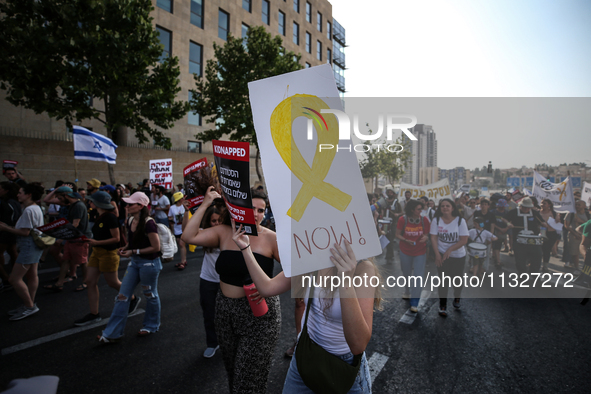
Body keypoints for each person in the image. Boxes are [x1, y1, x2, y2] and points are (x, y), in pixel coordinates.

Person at [231, 217, 379, 394]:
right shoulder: (310, 257)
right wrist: (245, 247)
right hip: (306, 355)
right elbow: (267, 287)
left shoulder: (364, 268)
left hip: (345, 367)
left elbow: (358, 344)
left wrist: (345, 280)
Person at [182, 187, 282, 393]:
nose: (256, 214)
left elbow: (296, 270)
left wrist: (270, 288)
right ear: (239, 208)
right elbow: (188, 236)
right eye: (251, 208)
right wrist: (206, 203)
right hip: (225, 312)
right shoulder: (225, 231)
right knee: (233, 372)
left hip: (259, 316)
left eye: (261, 210)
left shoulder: (271, 238)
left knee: (247, 382)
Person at [98, 192, 160, 343]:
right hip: (135, 263)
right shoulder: (130, 219)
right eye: (127, 204)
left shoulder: (149, 223)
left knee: (150, 295)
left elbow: (156, 247)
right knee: (122, 296)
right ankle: (111, 333)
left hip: (149, 264)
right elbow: (133, 242)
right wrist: (125, 248)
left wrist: (133, 251)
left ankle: (151, 325)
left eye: (131, 204)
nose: (127, 206)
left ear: (140, 206)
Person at [74, 191, 121, 326]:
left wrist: (96, 243)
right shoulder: (97, 214)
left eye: (91, 201)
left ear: (97, 203)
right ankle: (94, 314)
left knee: (113, 283)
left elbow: (116, 239)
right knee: (90, 281)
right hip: (97, 251)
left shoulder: (110, 218)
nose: (89, 202)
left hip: (108, 253)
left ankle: (133, 298)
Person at [1, 183, 45, 320]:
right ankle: (29, 303)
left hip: (28, 246)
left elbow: (25, 232)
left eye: (20, 192)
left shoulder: (29, 210)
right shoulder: (35, 208)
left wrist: (5, 228)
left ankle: (30, 306)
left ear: (28, 194)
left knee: (14, 279)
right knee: (32, 275)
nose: (18, 194)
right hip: (34, 245)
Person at [44, 186, 92, 292]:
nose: (59, 200)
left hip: (80, 238)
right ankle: (59, 283)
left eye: (60, 198)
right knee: (66, 260)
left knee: (83, 261)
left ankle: (86, 282)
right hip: (72, 237)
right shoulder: (72, 204)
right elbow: (46, 200)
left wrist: (62, 238)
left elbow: (75, 224)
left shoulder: (78, 206)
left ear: (66, 196)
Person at [429, 198, 469, 317]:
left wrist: (450, 249)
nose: (445, 208)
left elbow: (464, 240)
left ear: (452, 208)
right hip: (441, 255)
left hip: (458, 256)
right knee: (443, 281)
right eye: (442, 206)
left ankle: (457, 297)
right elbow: (433, 238)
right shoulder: (436, 220)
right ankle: (443, 305)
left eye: (447, 206)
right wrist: (437, 254)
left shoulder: (460, 221)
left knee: (457, 281)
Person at [196, 205, 223, 358]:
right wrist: (189, 212)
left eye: (220, 220)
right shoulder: (206, 234)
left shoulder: (229, 232)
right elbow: (187, 234)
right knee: (209, 313)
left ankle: (229, 343)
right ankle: (212, 343)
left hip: (227, 282)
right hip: (208, 279)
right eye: (213, 221)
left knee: (229, 315)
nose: (217, 224)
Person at [395, 199, 430, 312]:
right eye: (419, 209)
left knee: (418, 277)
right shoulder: (402, 219)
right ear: (412, 210)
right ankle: (407, 291)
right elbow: (397, 235)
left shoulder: (424, 220)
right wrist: (406, 240)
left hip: (420, 251)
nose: (421, 211)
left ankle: (414, 302)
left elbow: (427, 234)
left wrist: (426, 238)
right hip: (405, 250)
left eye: (422, 208)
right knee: (406, 273)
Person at [503, 197, 549, 276]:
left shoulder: (534, 213)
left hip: (533, 239)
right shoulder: (514, 212)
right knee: (520, 258)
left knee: (537, 255)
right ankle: (522, 274)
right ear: (521, 206)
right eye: (524, 207)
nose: (526, 209)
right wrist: (508, 224)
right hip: (519, 239)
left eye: (528, 208)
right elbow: (504, 219)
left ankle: (534, 272)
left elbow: (542, 222)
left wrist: (543, 225)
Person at [0, 182, 22, 288]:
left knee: (11, 251)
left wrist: (8, 227)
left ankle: (6, 278)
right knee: (12, 251)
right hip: (10, 231)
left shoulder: (9, 202)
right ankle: (15, 276)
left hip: (6, 231)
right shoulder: (13, 202)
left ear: (6, 191)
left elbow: (12, 217)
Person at [564, 200, 590, 271]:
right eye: (576, 205)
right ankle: (577, 268)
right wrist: (575, 233)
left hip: (586, 236)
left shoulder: (587, 214)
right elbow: (566, 225)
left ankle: (586, 268)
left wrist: (580, 221)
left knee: (586, 252)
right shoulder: (571, 213)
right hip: (574, 235)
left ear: (584, 206)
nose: (577, 206)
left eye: (579, 205)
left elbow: (589, 224)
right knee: (575, 253)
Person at [168, 191, 187, 270]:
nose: (183, 199)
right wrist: (171, 221)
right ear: (179, 199)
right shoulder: (172, 208)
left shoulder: (185, 206)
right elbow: (169, 217)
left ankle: (183, 261)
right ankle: (184, 260)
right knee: (180, 244)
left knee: (181, 244)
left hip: (184, 228)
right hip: (177, 229)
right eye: (182, 198)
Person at [539, 199, 559, 273]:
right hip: (540, 233)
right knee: (538, 250)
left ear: (549, 205)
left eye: (544, 203)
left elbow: (558, 223)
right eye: (541, 203)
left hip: (551, 234)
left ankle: (545, 266)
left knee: (546, 250)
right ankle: (535, 264)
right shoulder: (538, 212)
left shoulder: (553, 213)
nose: (542, 204)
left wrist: (557, 219)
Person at [490, 198, 510, 270]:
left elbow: (509, 222)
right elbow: (492, 222)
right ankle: (498, 261)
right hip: (495, 231)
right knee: (496, 246)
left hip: (503, 232)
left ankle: (496, 257)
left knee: (498, 245)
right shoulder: (493, 212)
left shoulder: (506, 213)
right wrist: (500, 229)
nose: (503, 207)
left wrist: (505, 229)